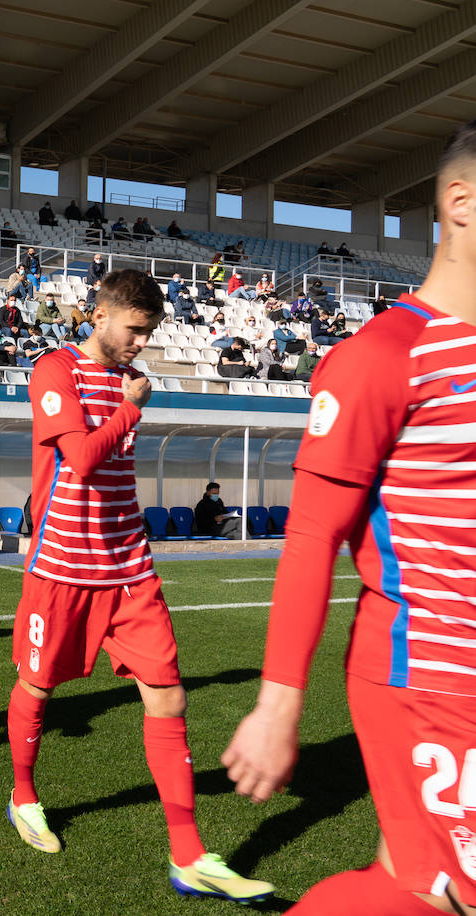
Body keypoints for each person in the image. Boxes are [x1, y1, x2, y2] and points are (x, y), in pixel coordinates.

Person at [221, 126, 476, 915]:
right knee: (443, 893)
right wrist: (277, 706)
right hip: (429, 671)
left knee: (413, 882)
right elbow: (311, 538)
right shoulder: (385, 355)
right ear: (462, 203)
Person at [4, 269, 273, 904]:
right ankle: (24, 795)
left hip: (129, 570)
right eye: (134, 330)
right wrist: (131, 408)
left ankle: (189, 855)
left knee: (169, 698)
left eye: (149, 333)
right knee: (37, 685)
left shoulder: (129, 379)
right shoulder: (56, 371)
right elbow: (81, 459)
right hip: (62, 570)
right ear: (99, 315)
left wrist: (129, 403)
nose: (141, 343)